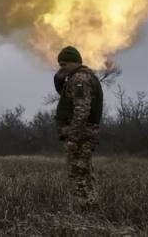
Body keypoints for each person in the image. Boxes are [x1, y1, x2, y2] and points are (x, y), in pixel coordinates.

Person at [54, 46, 103, 208]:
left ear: (74, 63)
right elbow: (68, 99)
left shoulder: (80, 80)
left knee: (78, 174)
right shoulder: (79, 78)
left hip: (82, 136)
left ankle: (83, 212)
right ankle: (93, 207)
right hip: (85, 134)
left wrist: (74, 138)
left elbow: (81, 111)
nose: (61, 68)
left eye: (63, 65)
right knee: (86, 173)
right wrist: (59, 80)